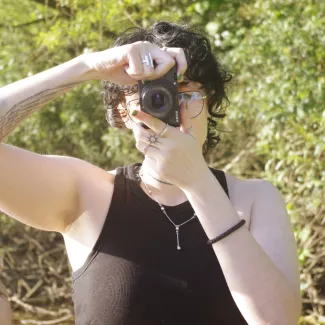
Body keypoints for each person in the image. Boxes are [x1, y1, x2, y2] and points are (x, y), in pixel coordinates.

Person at [0, 21, 301, 325]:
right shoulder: (87, 196)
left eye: (185, 93)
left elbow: (278, 321)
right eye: (152, 96)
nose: (172, 112)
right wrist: (88, 67)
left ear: (210, 103)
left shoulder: (254, 200)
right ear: (122, 112)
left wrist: (198, 182)